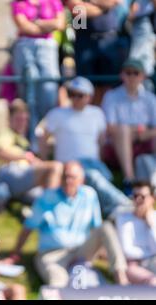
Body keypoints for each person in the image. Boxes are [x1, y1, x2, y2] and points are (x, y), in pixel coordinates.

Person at [1, 162, 129, 287]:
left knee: (106, 227)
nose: (68, 181)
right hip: (52, 255)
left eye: (72, 177)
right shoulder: (47, 197)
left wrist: (101, 251)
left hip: (80, 250)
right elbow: (28, 227)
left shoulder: (89, 195)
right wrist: (15, 254)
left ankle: (121, 279)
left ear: (81, 180)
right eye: (65, 177)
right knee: (58, 284)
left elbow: (97, 226)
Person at [39, 76, 132, 217]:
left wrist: (101, 161)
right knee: (95, 178)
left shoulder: (97, 113)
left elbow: (100, 142)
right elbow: (42, 136)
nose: (75, 98)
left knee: (102, 179)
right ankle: (126, 205)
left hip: (94, 162)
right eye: (72, 94)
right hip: (71, 165)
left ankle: (111, 210)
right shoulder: (57, 113)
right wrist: (45, 162)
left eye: (80, 95)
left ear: (89, 96)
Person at [0, 98, 62, 205]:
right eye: (18, 119)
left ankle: (43, 212)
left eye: (25, 120)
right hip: (6, 173)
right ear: (9, 119)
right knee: (55, 167)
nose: (22, 123)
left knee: (42, 197)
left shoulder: (22, 140)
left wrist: (34, 161)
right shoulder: (5, 133)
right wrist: (25, 157)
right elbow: (0, 152)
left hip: (21, 178)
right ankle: (49, 209)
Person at [101, 59, 156, 192]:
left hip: (144, 140)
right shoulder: (111, 96)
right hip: (117, 144)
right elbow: (111, 128)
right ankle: (129, 179)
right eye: (128, 73)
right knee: (123, 131)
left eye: (135, 73)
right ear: (122, 75)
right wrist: (138, 131)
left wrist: (140, 134)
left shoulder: (150, 98)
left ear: (142, 76)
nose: (131, 76)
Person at [10, 0, 65, 126]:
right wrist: (49, 25)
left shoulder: (53, 2)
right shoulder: (19, 3)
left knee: (49, 88)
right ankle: (31, 132)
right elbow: (24, 26)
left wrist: (37, 23)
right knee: (28, 91)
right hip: (24, 48)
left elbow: (60, 23)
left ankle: (42, 127)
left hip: (48, 47)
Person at [116, 181, 156, 286]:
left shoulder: (154, 218)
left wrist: (150, 225)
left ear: (152, 198)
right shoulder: (123, 218)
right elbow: (127, 250)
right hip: (133, 265)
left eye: (142, 196)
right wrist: (148, 254)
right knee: (153, 282)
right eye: (135, 196)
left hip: (153, 261)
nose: (138, 200)